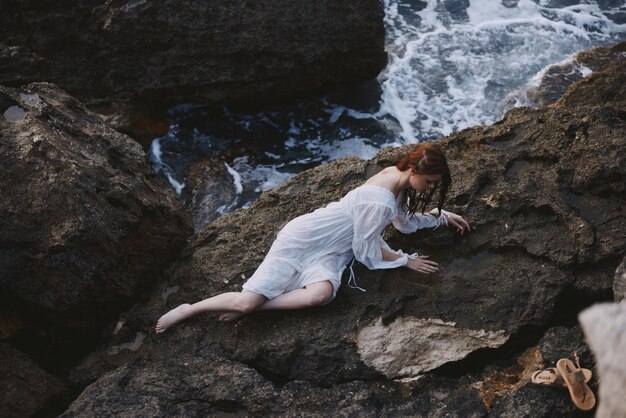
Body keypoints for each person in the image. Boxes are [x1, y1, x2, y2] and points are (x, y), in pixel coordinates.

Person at [155, 143, 470, 333]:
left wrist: (440, 216)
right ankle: (190, 309)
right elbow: (366, 249)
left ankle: (258, 308)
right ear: (414, 168)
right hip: (305, 238)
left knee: (320, 295)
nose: (429, 188)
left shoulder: (394, 177)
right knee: (244, 300)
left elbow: (402, 223)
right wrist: (406, 261)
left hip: (331, 250)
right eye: (429, 182)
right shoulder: (380, 200)